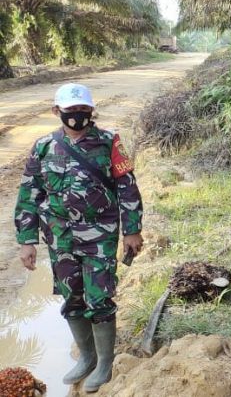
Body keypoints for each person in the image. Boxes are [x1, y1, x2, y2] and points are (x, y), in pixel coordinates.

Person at [14, 83, 144, 393]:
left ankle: (105, 362)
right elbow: (29, 194)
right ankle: (87, 357)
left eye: (83, 111)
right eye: (70, 112)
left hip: (100, 234)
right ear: (56, 112)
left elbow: (127, 186)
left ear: (91, 111)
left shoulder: (109, 141)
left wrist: (133, 230)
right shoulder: (43, 147)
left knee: (99, 298)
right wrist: (26, 239)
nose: (77, 117)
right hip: (60, 237)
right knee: (71, 296)